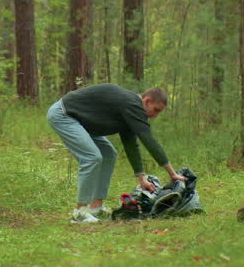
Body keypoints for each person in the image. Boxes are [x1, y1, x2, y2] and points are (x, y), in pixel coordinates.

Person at [47, 83, 186, 223]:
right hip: (65, 115)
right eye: (156, 110)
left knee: (109, 154)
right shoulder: (132, 104)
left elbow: (131, 145)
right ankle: (79, 213)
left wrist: (141, 178)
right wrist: (172, 173)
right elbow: (148, 140)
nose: (155, 115)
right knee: (92, 157)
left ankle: (96, 208)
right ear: (147, 101)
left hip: (84, 122)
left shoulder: (131, 110)